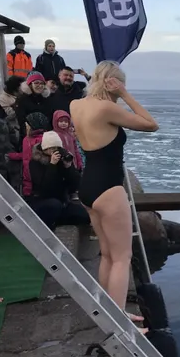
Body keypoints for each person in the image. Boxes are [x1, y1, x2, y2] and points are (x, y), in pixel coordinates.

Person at [70, 61, 158, 328]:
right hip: (109, 187)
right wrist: (125, 96)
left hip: (87, 186)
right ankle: (119, 321)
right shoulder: (108, 108)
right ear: (114, 83)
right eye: (121, 84)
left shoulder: (76, 105)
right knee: (122, 257)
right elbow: (151, 124)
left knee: (107, 255)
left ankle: (108, 311)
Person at [25, 131, 90, 230]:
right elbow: (44, 187)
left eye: (56, 148)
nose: (54, 151)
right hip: (42, 200)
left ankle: (57, 220)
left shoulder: (62, 159)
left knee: (84, 215)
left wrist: (69, 168)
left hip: (62, 201)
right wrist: (52, 165)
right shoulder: (35, 162)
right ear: (44, 148)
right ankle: (46, 224)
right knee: (54, 205)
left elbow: (76, 185)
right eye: (51, 148)